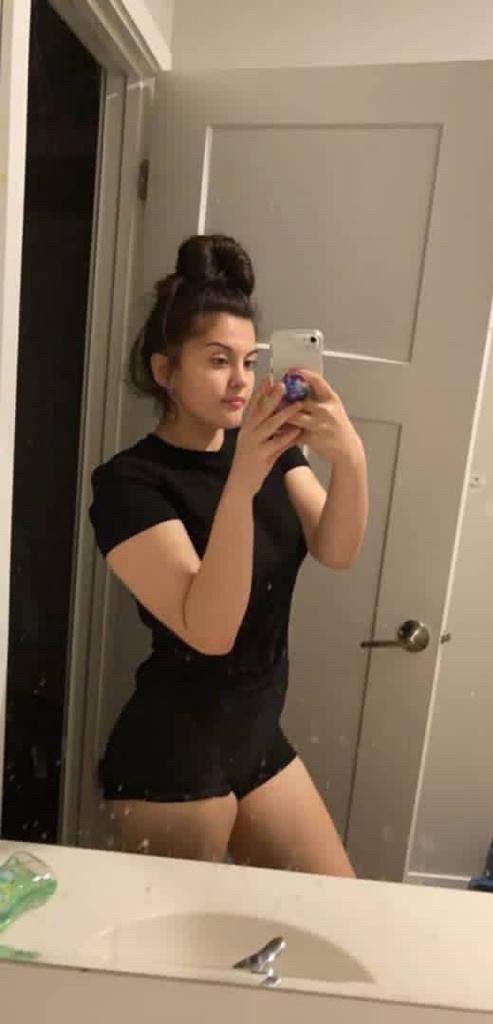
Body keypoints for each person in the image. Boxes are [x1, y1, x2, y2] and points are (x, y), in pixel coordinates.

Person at [89, 234, 368, 877]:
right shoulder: (130, 484)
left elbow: (336, 549)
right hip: (174, 753)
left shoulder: (268, 450)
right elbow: (210, 632)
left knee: (341, 906)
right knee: (188, 939)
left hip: (257, 735)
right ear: (166, 372)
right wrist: (241, 482)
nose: (241, 380)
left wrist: (350, 456)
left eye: (249, 360)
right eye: (218, 360)